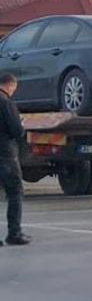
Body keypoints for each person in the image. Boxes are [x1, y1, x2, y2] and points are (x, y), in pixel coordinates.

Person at [0, 73, 29, 246]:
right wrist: (22, 124)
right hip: (5, 154)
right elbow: (16, 130)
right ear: (10, 85)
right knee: (15, 192)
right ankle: (14, 233)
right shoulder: (5, 102)